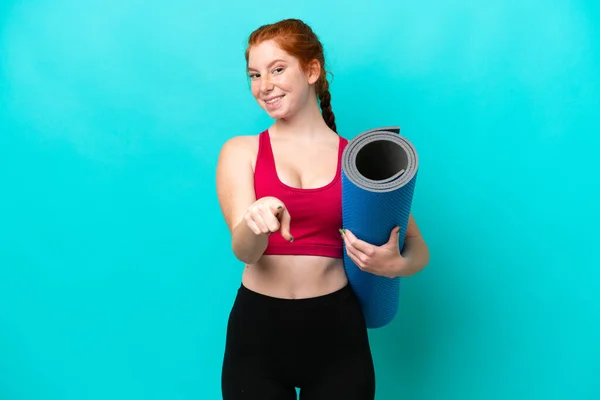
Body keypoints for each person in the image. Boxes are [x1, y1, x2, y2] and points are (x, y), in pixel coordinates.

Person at [216, 18, 430, 400]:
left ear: (311, 70)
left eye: (277, 69)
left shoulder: (356, 159)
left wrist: (394, 264)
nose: (264, 86)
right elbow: (243, 251)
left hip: (337, 331)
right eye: (254, 75)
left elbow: (417, 248)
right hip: (257, 333)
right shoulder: (241, 151)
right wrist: (255, 220)